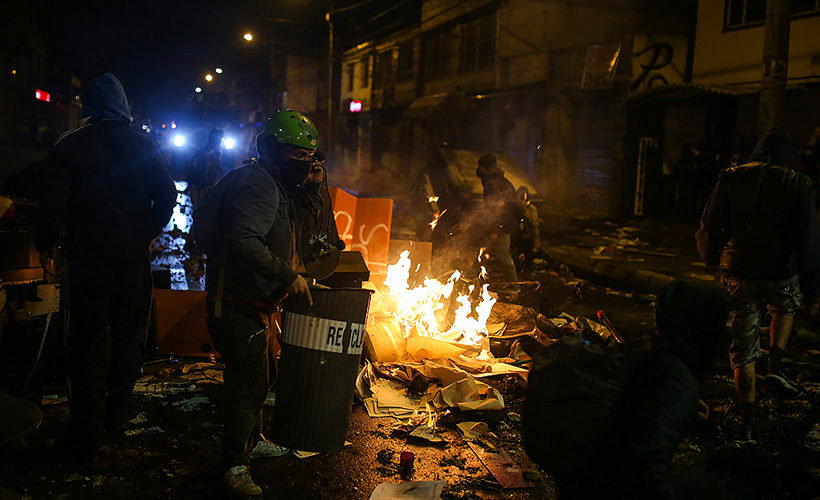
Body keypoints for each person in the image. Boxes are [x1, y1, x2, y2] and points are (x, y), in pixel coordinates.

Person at [34, 73, 177, 460]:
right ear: (125, 106)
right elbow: (167, 193)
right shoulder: (143, 144)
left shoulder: (70, 145)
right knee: (130, 334)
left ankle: (86, 431)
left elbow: (53, 201)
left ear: (91, 107)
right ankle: (117, 415)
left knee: (86, 341)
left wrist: (46, 243)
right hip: (131, 257)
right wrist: (146, 229)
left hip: (87, 259)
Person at [523, 280, 733, 500]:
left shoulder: (650, 349)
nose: (728, 333)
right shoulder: (678, 379)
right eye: (723, 323)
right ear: (703, 327)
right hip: (599, 479)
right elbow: (642, 469)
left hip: (579, 468)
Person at [204, 109, 317, 496]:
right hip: (239, 304)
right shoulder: (259, 184)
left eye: (309, 156)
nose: (303, 163)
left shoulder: (269, 179)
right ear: (271, 149)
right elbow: (244, 242)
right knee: (248, 387)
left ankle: (253, 441)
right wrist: (289, 277)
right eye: (295, 154)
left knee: (261, 377)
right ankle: (234, 465)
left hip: (256, 304)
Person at [695, 128, 820, 440]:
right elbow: (808, 241)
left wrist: (711, 255)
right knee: (785, 305)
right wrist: (813, 290)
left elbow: (708, 222)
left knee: (743, 346)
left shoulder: (731, 176)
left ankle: (746, 423)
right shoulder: (798, 183)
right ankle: (775, 362)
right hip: (780, 270)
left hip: (737, 271)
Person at [475, 153, 522, 289]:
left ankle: (514, 286)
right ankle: (476, 282)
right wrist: (515, 221)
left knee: (499, 256)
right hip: (505, 225)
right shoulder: (504, 181)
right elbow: (516, 203)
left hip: (499, 227)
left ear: (483, 168)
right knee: (490, 254)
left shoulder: (491, 183)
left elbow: (492, 209)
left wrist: (494, 230)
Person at [185, 127, 224, 210]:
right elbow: (207, 173)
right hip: (202, 188)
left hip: (200, 187)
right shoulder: (210, 153)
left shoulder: (208, 152)